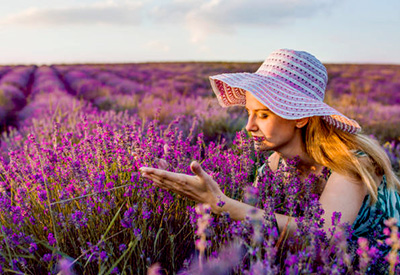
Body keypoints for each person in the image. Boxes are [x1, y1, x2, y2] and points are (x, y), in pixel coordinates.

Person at [139, 49, 400, 270]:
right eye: (248, 113)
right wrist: (187, 187)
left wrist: (220, 203)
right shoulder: (273, 167)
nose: (248, 126)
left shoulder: (350, 164)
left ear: (300, 117)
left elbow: (324, 238)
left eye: (263, 115)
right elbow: (267, 229)